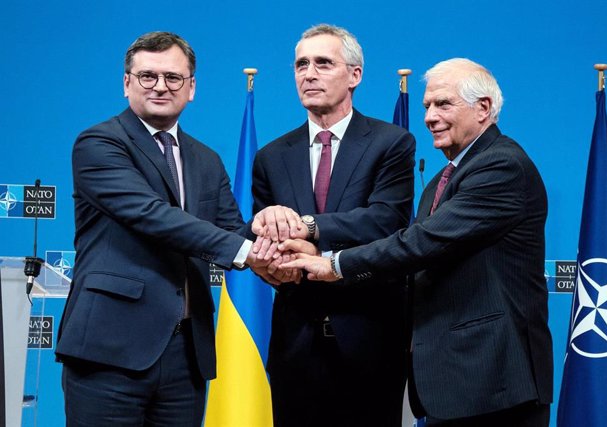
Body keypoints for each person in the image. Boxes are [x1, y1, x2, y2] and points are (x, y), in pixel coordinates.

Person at [280, 58, 553, 426]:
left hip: (494, 379)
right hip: (454, 379)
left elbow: (422, 242)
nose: (429, 117)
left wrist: (333, 264)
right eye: (426, 106)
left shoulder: (502, 166)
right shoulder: (442, 178)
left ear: (483, 108)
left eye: (443, 104)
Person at [56, 31, 274, 426]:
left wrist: (279, 240)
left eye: (173, 77)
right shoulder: (100, 143)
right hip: (110, 351)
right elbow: (152, 215)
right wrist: (246, 252)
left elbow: (233, 230)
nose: (160, 86)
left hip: (185, 353)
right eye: (147, 76)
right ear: (127, 84)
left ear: (191, 88)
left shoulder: (206, 159)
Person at [250, 24, 416, 427]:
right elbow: (263, 238)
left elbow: (385, 220)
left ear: (354, 75)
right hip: (295, 345)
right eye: (301, 64)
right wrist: (272, 253)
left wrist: (307, 229)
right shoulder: (271, 156)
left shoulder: (391, 142)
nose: (309, 73)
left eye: (323, 63)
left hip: (370, 340)